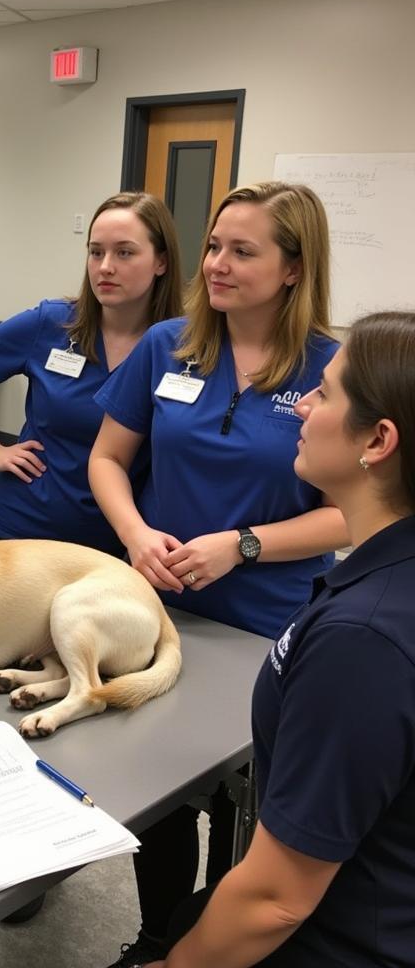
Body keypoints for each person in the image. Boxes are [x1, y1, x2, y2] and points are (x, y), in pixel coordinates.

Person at [88, 181, 350, 967]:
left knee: (251, 801)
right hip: (161, 608)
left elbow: (351, 512)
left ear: (295, 268)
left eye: (243, 251)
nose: (218, 265)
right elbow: (106, 458)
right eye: (212, 247)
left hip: (267, 622)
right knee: (159, 790)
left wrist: (242, 545)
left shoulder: (333, 372)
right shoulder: (169, 343)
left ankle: (218, 946)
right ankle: (157, 935)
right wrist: (135, 535)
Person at [140, 310, 415, 968]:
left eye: (323, 395)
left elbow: (276, 900)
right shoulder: (382, 581)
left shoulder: (363, 641)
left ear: (376, 441)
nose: (301, 410)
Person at [0, 191, 183, 554]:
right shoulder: (53, 323)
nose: (105, 267)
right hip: (25, 524)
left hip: (116, 539)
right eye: (96, 252)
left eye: (125, 252)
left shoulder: (181, 348)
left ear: (161, 261)